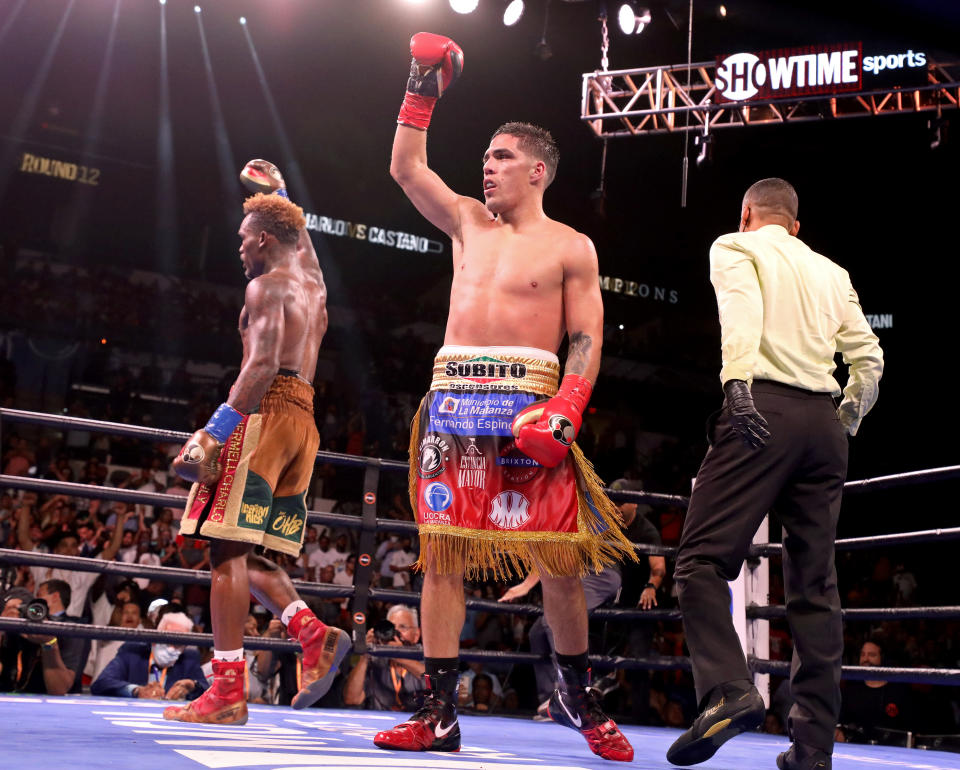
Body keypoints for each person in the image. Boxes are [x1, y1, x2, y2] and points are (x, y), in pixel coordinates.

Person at [374, 33, 635, 762]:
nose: (486, 167)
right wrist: (421, 85)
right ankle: (439, 713)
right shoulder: (465, 222)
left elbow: (585, 335)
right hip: (455, 402)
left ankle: (578, 698)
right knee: (442, 559)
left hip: (530, 406)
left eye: (501, 157)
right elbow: (404, 166)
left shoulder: (571, 246)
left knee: (560, 562)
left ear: (538, 171)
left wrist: (571, 404)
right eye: (485, 156)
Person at [666, 178, 884, 769]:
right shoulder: (832, 272)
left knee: (700, 562)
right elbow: (870, 358)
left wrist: (736, 386)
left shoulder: (736, 247)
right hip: (823, 427)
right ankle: (812, 752)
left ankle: (729, 690)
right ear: (795, 225)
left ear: (747, 214)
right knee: (816, 591)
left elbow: (742, 312)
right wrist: (844, 420)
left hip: (760, 408)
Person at [163, 162, 350, 725]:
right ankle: (311, 634)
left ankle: (226, 690)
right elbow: (304, 244)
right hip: (304, 421)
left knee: (221, 550)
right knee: (245, 549)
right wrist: (282, 194)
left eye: (244, 238)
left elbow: (263, 363)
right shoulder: (311, 284)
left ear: (264, 238)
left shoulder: (265, 285)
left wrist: (210, 435)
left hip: (263, 415)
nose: (239, 248)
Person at [91, 611, 207, 700]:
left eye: (178, 643)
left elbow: (209, 693)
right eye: (168, 639)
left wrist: (193, 686)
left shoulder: (189, 659)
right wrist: (136, 691)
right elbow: (101, 683)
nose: (172, 647)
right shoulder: (133, 651)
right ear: (156, 636)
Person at [0, 581, 90, 695]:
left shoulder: (67, 631)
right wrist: (2, 628)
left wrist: (49, 643)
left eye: (22, 610)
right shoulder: (5, 631)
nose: (17, 616)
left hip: (44, 704)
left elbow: (58, 689)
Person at [343, 604, 425, 711]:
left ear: (416, 635)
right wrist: (366, 655)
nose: (395, 633)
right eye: (392, 628)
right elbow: (352, 699)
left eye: (403, 627)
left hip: (417, 723)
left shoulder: (424, 654)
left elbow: (435, 681)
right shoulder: (377, 657)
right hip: (381, 723)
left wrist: (396, 654)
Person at [837, 640, 913, 744]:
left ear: (882, 658)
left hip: (891, 751)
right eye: (862, 655)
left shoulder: (898, 691)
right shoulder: (851, 689)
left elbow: (910, 728)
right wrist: (840, 731)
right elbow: (841, 721)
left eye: (871, 655)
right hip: (856, 748)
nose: (865, 659)